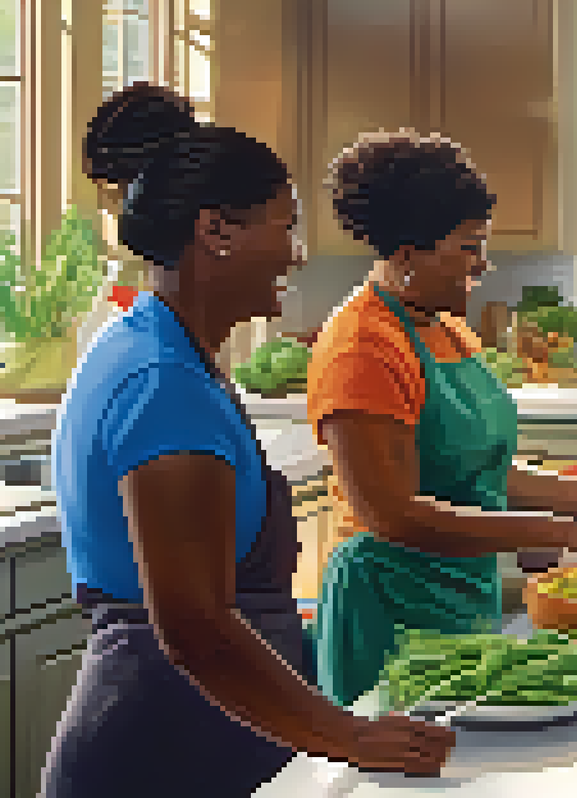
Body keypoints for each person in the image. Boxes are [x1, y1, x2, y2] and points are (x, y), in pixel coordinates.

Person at [42, 84, 452, 798]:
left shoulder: (164, 350)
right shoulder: (162, 380)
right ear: (216, 231)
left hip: (199, 728)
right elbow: (195, 626)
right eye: (284, 226)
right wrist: (349, 737)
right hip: (160, 747)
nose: (296, 255)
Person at [309, 130, 577, 708]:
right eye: (468, 247)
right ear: (407, 255)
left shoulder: (446, 328)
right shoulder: (363, 348)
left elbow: (485, 471)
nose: (483, 263)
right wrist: (572, 532)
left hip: (463, 590)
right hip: (389, 603)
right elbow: (391, 514)